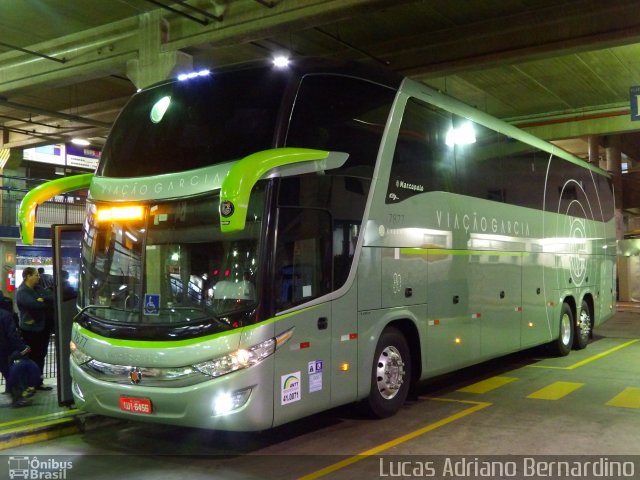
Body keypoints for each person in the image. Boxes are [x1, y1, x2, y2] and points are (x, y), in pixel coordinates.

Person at [16, 267, 53, 391]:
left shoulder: (38, 288)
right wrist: (42, 301)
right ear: (27, 276)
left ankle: (38, 382)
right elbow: (34, 305)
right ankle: (28, 383)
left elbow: (51, 298)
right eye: (36, 275)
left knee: (41, 356)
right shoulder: (22, 292)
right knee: (31, 357)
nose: (39, 277)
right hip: (30, 329)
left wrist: (43, 300)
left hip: (43, 328)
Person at [0, 307, 36, 406]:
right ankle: (18, 399)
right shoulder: (5, 315)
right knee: (11, 374)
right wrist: (22, 348)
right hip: (3, 351)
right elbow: (12, 335)